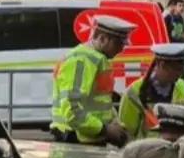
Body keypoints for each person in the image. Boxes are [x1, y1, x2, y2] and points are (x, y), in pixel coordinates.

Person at [50, 15, 135, 146]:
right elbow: (72, 110)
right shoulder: (81, 60)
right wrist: (105, 129)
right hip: (74, 140)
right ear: (102, 39)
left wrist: (113, 123)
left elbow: (101, 102)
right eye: (118, 43)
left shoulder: (96, 60)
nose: (121, 49)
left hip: (87, 137)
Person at [117, 43, 184, 141]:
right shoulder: (133, 92)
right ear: (162, 65)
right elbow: (127, 134)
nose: (181, 73)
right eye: (178, 69)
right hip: (148, 149)